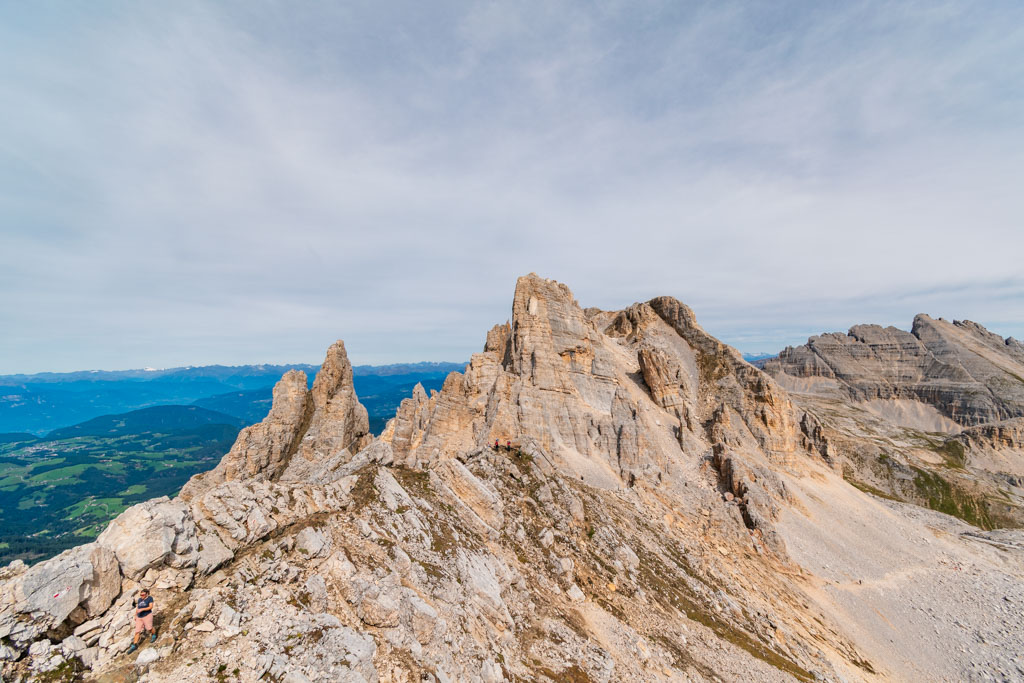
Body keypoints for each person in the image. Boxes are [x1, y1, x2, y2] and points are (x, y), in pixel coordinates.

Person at [126, 588, 156, 653]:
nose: (141, 596)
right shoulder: (139, 600)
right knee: (137, 631)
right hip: (139, 616)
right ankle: (134, 645)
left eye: (143, 595)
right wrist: (135, 615)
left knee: (149, 628)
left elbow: (150, 607)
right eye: (141, 595)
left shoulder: (149, 598)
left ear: (147, 594)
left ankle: (154, 634)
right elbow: (138, 608)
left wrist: (142, 609)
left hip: (147, 615)